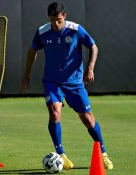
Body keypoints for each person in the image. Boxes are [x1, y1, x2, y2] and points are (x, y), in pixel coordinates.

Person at [21, 1, 113, 170]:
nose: (55, 24)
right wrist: (26, 75)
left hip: (75, 83)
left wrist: (90, 68)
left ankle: (103, 152)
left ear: (65, 16)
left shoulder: (76, 29)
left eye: (58, 20)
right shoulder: (42, 32)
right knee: (54, 113)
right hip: (52, 81)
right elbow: (32, 51)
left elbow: (93, 47)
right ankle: (61, 154)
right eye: (52, 20)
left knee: (87, 119)